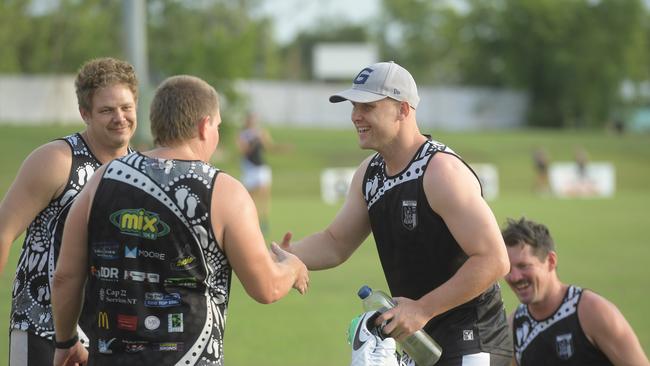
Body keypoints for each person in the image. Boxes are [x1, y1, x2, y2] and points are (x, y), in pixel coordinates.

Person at [50, 75, 309, 366]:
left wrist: (66, 341)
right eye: (218, 126)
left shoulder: (103, 177)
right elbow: (267, 287)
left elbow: (65, 276)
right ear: (204, 126)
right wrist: (293, 267)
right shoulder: (223, 191)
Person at [281, 61, 512, 365]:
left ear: (403, 110)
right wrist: (283, 256)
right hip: (421, 344)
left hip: (472, 342)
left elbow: (494, 260)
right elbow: (335, 242)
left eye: (368, 106)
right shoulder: (370, 173)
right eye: (353, 106)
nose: (355, 116)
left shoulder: (441, 171)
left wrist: (422, 309)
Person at [0, 57, 138, 366]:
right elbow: (3, 232)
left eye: (126, 107)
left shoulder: (140, 172)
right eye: (107, 110)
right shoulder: (57, 160)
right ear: (85, 114)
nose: (120, 118)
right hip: (42, 327)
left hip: (111, 337)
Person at [502, 217, 649, 366]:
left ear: (551, 261)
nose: (514, 277)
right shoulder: (514, 326)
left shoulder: (593, 312)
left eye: (524, 266)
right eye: (508, 268)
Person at [237, 111, 273, 234]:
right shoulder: (242, 135)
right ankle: (250, 220)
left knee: (264, 194)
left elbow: (269, 147)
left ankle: (264, 221)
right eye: (251, 120)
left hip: (261, 167)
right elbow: (244, 151)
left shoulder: (261, 132)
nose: (253, 122)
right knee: (250, 196)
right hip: (249, 167)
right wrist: (254, 141)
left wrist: (263, 139)